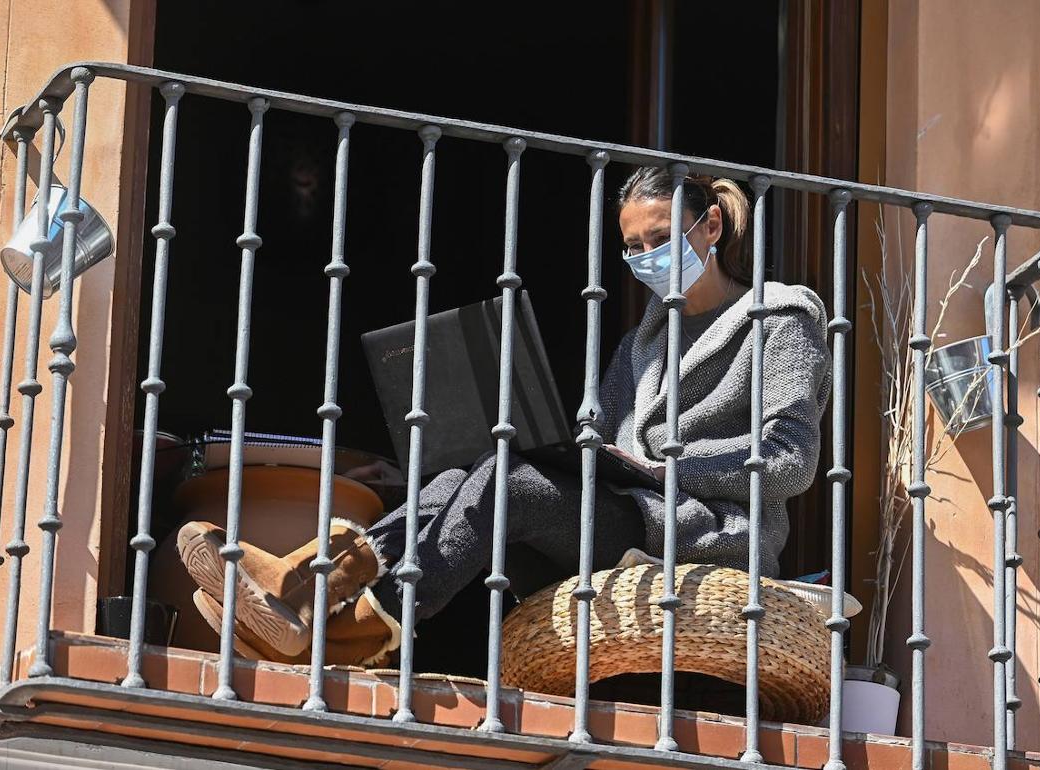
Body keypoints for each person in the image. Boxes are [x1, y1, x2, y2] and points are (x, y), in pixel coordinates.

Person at [176, 167, 832, 667]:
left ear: (711, 226)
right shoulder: (644, 341)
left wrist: (663, 467)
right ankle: (302, 586)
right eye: (634, 247)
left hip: (703, 531)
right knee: (471, 469)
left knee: (508, 483)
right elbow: (597, 443)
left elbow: (789, 462)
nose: (647, 258)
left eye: (663, 239)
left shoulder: (781, 314)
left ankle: (356, 629)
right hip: (624, 511)